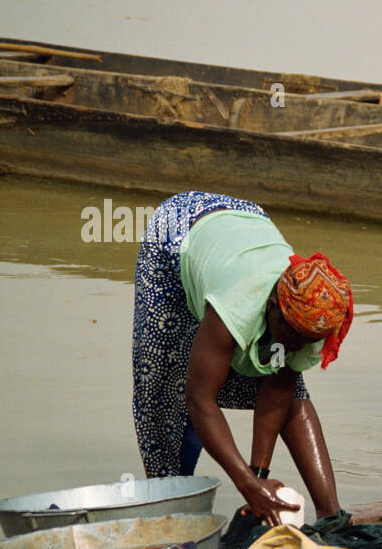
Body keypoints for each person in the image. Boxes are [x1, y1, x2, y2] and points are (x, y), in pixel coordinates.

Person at [132, 191, 353, 526]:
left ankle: (330, 511)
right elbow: (200, 399)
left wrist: (257, 476)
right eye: (289, 337)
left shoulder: (311, 319)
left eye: (303, 342)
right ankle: (172, 511)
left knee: (291, 388)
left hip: (245, 220)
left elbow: (278, 392)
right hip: (176, 232)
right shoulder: (237, 306)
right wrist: (247, 485)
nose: (294, 347)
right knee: (164, 385)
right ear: (272, 307)